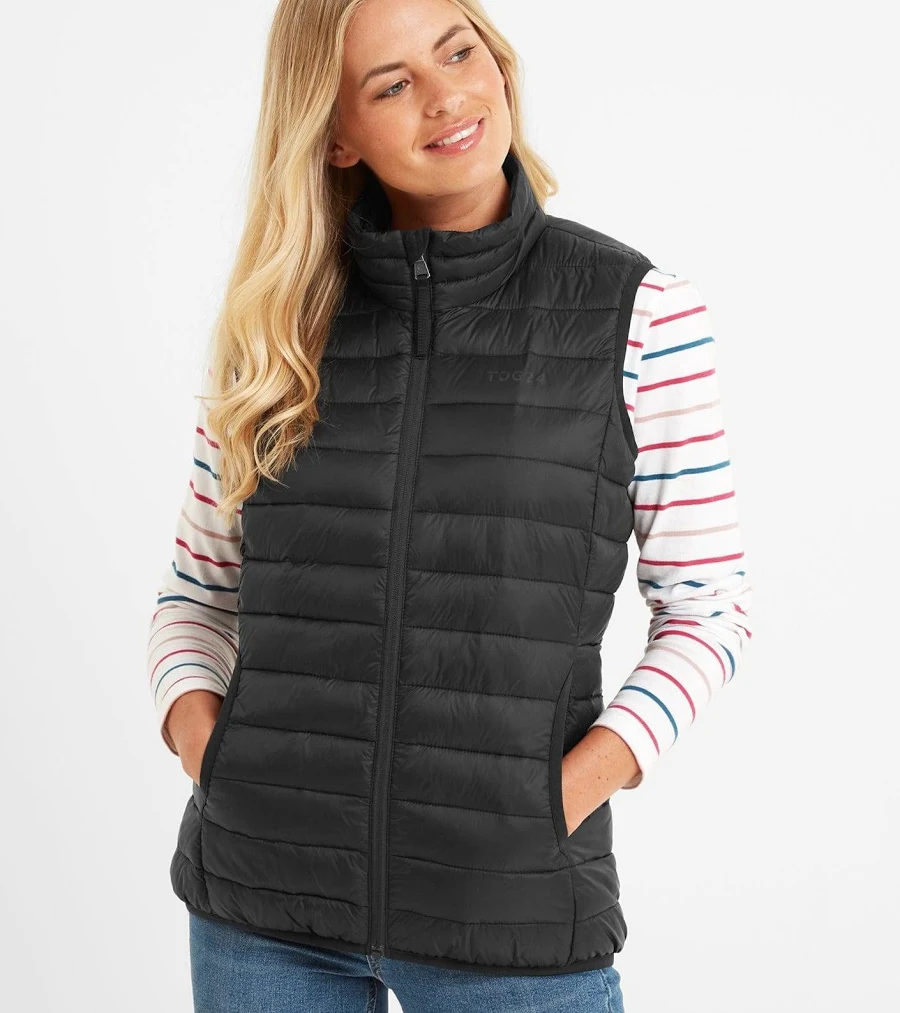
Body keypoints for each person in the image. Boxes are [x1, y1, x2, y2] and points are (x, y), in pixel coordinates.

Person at [147, 0, 753, 1010]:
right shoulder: (278, 326)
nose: (447, 97)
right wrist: (212, 751)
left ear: (496, 60)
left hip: (510, 916)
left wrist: (564, 795)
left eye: (458, 51)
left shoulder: (639, 312)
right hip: (261, 916)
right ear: (335, 135)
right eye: (392, 84)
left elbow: (709, 608)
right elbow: (194, 595)